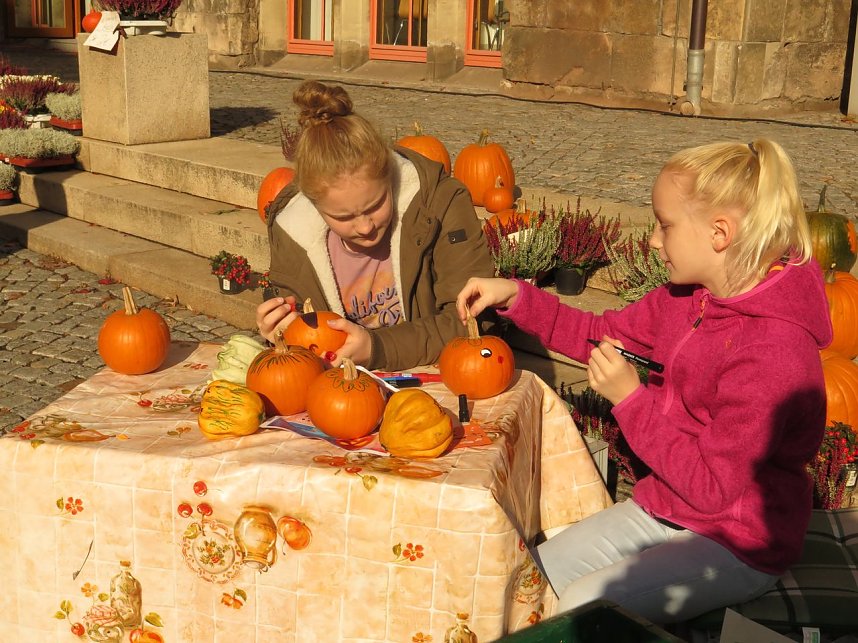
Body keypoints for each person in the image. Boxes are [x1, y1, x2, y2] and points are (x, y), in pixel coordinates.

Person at [455, 138, 833, 624]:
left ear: (720, 233)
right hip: (666, 506)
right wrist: (515, 295)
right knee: (533, 577)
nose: (653, 240)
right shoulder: (685, 299)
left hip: (737, 541)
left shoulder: (772, 353)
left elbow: (714, 489)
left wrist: (630, 400)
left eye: (665, 224)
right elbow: (598, 333)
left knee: (585, 608)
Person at [256, 80, 495, 371]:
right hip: (343, 392)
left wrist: (376, 348)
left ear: (390, 179)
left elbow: (468, 319)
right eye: (343, 218)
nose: (365, 226)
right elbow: (304, 343)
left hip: (438, 374)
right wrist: (281, 334)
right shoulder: (293, 235)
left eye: (375, 206)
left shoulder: (439, 203)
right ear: (315, 208)